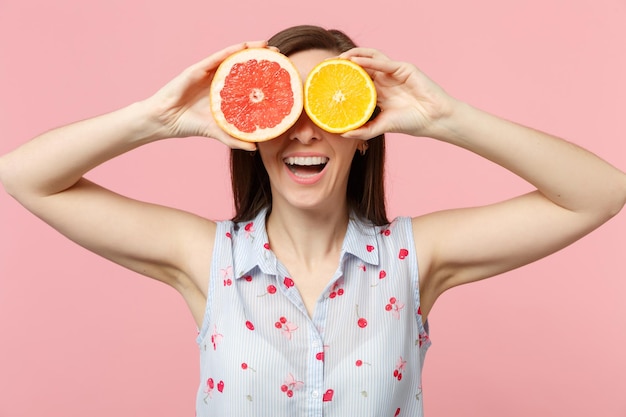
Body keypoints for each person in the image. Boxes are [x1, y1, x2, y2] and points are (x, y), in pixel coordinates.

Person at [1, 25, 625, 416]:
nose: (303, 129)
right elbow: (25, 175)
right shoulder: (208, 259)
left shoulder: (411, 259)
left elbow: (598, 193)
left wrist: (447, 119)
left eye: (327, 105)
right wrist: (156, 117)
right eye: (281, 105)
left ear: (363, 136)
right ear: (252, 128)